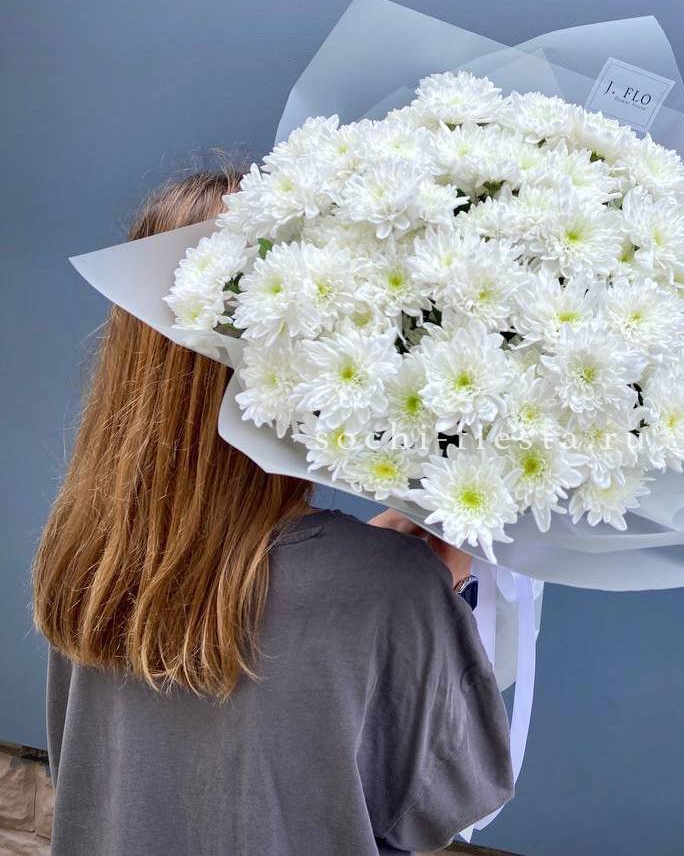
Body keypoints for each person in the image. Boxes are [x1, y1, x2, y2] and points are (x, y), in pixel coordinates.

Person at [32, 166, 514, 856]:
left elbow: (90, 767)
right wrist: (439, 581)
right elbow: (437, 802)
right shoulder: (386, 589)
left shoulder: (89, 550)